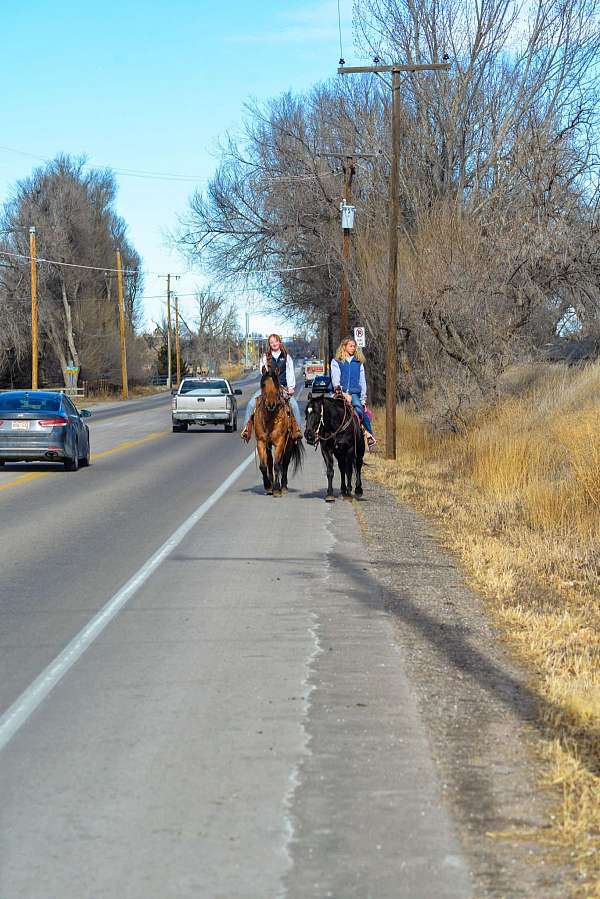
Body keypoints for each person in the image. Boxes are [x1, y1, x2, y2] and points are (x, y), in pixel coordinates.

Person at [241, 334, 303, 442]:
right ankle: (247, 429)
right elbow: (262, 372)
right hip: (267, 388)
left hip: (282, 388)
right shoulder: (265, 357)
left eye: (275, 341)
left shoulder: (286, 357)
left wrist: (291, 387)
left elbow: (290, 373)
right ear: (269, 344)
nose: (274, 344)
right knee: (251, 403)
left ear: (279, 342)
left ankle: (296, 430)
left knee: (294, 405)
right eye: (271, 342)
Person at [330, 337, 377, 449]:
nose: (353, 348)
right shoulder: (336, 361)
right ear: (344, 346)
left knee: (360, 411)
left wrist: (363, 398)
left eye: (354, 346)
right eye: (350, 346)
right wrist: (343, 393)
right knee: (330, 412)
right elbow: (335, 379)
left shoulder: (358, 362)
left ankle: (369, 436)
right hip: (340, 392)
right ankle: (326, 437)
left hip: (355, 393)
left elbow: (362, 381)